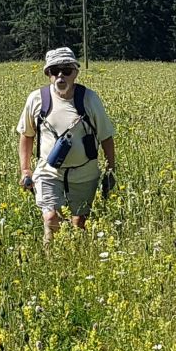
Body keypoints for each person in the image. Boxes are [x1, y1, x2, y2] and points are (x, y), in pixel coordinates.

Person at [17, 47, 117, 242]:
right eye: (54, 71)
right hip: (48, 172)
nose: (60, 76)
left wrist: (111, 169)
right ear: (48, 74)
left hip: (84, 173)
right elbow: (26, 135)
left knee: (79, 222)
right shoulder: (37, 99)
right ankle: (50, 260)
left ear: (75, 73)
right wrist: (25, 170)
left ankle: (74, 258)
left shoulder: (89, 99)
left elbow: (106, 137)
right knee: (52, 218)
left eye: (66, 70)